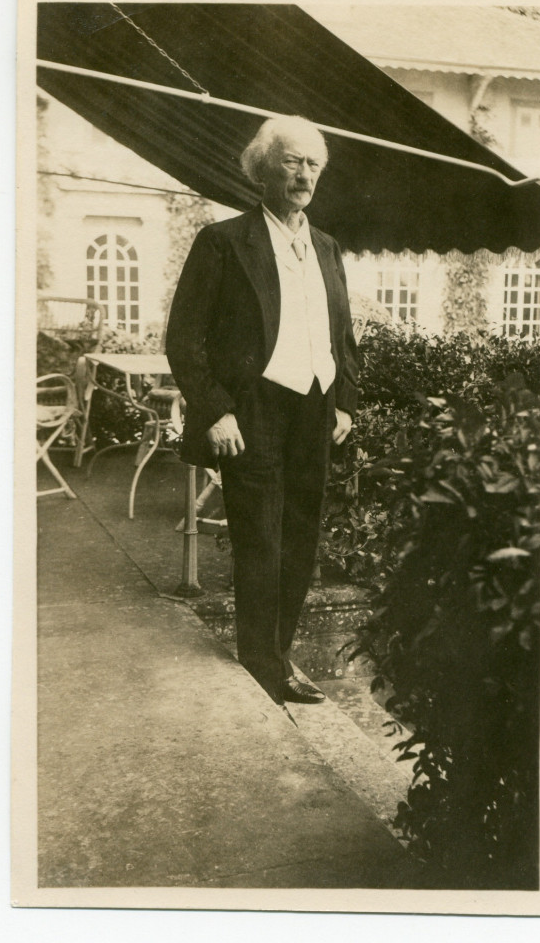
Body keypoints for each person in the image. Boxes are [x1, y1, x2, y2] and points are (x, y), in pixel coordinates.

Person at [166, 115, 358, 706]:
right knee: (260, 541)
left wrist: (345, 401)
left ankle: (280, 654)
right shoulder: (224, 241)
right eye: (293, 161)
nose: (305, 175)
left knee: (301, 536)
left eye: (314, 165)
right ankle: (262, 664)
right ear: (262, 169)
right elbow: (184, 338)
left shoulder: (325, 246)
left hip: (315, 408)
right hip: (252, 411)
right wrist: (217, 411)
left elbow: (343, 334)